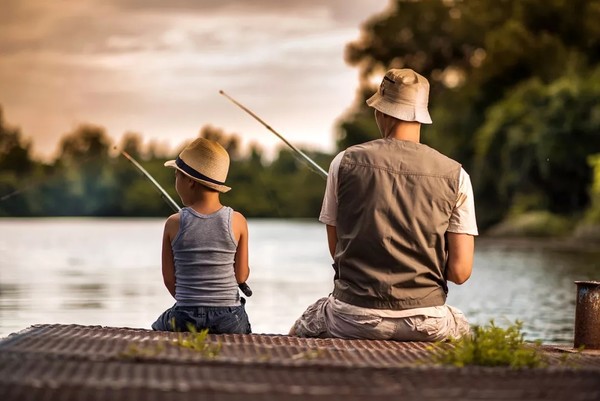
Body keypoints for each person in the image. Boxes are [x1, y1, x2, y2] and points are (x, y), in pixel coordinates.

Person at [290, 68, 478, 341]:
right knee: (470, 338)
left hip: (351, 317)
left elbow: (337, 250)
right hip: (427, 322)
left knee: (297, 331)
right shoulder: (456, 175)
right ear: (421, 117)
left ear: (382, 111)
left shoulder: (343, 162)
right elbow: (460, 273)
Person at [152, 137, 251, 334]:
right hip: (229, 317)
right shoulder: (238, 221)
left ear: (189, 180)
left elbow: (169, 280)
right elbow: (241, 275)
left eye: (176, 175)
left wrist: (191, 304)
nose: (175, 181)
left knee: (158, 326)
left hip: (185, 315)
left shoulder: (173, 223)